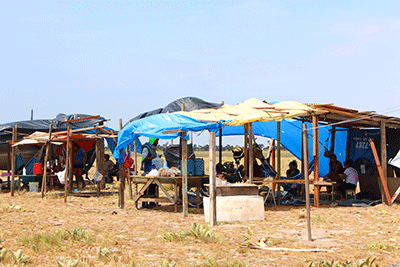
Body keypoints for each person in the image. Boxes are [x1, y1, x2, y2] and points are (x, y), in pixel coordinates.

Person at [141, 138, 159, 208]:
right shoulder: (146, 148)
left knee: (153, 186)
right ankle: (144, 203)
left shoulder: (153, 149)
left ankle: (152, 203)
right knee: (147, 186)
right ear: (152, 140)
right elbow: (143, 158)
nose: (157, 142)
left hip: (153, 171)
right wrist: (152, 158)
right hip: (147, 170)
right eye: (156, 141)